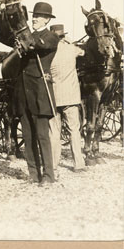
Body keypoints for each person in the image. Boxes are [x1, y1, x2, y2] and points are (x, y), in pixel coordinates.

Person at [14, 2, 59, 185]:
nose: (34, 18)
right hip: (23, 93)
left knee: (42, 135)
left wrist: (25, 40)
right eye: (33, 16)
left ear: (47, 19)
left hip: (40, 93)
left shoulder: (51, 37)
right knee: (27, 136)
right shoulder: (28, 36)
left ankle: (49, 175)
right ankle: (33, 174)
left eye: (38, 16)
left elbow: (39, 45)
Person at [48, 24, 86, 175]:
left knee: (54, 132)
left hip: (54, 98)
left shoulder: (49, 53)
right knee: (74, 131)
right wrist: (69, 42)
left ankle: (54, 164)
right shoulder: (71, 49)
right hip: (71, 97)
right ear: (63, 36)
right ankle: (78, 163)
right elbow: (83, 52)